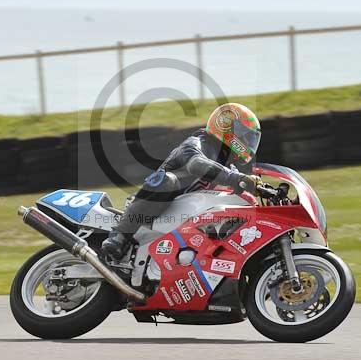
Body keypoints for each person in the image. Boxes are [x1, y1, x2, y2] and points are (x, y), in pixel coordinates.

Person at [101, 102, 262, 260]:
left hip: (185, 220)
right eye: (245, 136)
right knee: (167, 180)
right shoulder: (195, 144)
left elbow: (238, 186)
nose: (248, 143)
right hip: (153, 209)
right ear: (225, 127)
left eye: (251, 139)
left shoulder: (229, 168)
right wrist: (237, 179)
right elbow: (196, 164)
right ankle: (120, 235)